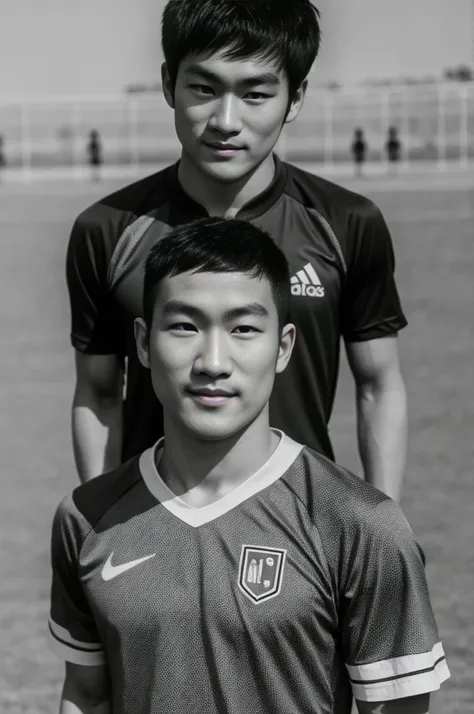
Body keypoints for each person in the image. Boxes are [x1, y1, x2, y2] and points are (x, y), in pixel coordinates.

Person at [50, 218, 449, 714]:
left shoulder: (360, 524)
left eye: (243, 328)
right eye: (184, 326)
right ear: (143, 343)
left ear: (282, 348)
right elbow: (87, 695)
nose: (213, 361)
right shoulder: (85, 518)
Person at [67, 0, 408, 501]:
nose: (226, 121)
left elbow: (379, 385)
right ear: (169, 84)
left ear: (294, 99)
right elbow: (98, 393)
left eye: (255, 94)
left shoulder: (346, 224)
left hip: (305, 531)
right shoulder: (108, 231)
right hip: (154, 533)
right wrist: (101, 525)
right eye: (204, 88)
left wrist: (384, 526)